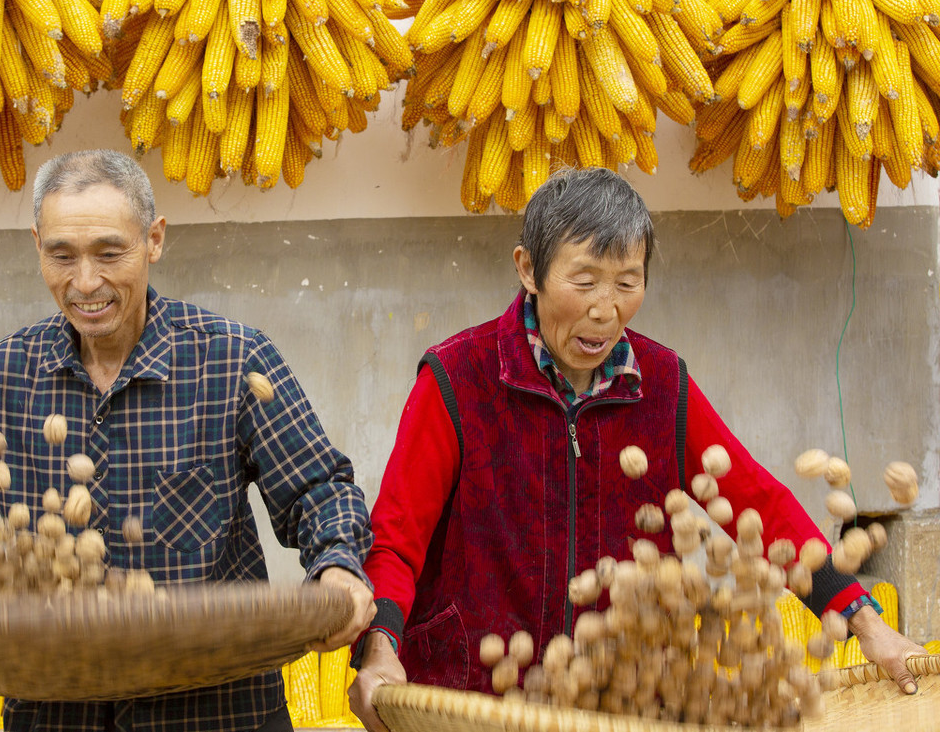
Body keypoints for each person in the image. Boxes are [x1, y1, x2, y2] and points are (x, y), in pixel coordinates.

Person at [0, 149, 376, 732]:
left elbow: (317, 490)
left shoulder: (233, 359)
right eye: (62, 256)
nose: (86, 282)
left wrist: (339, 569)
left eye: (110, 253)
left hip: (213, 708)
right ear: (37, 248)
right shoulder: (5, 375)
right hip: (53, 710)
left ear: (154, 239)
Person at [348, 167, 925, 730]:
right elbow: (398, 539)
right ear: (528, 269)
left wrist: (864, 621)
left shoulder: (662, 383)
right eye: (585, 281)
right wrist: (379, 650)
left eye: (627, 283)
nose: (606, 309)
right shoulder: (459, 376)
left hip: (616, 704)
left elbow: (756, 504)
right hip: (469, 702)